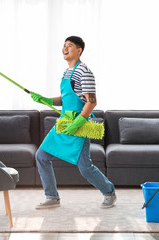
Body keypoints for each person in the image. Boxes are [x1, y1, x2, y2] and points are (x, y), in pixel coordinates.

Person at [30, 36, 116, 209]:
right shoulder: (67, 72)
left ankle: (109, 192)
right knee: (41, 156)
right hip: (64, 122)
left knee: (84, 167)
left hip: (79, 123)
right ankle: (52, 197)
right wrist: (46, 100)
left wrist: (78, 122)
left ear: (79, 50)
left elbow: (91, 101)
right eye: (63, 45)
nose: (64, 48)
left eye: (69, 46)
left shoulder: (84, 71)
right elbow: (67, 98)